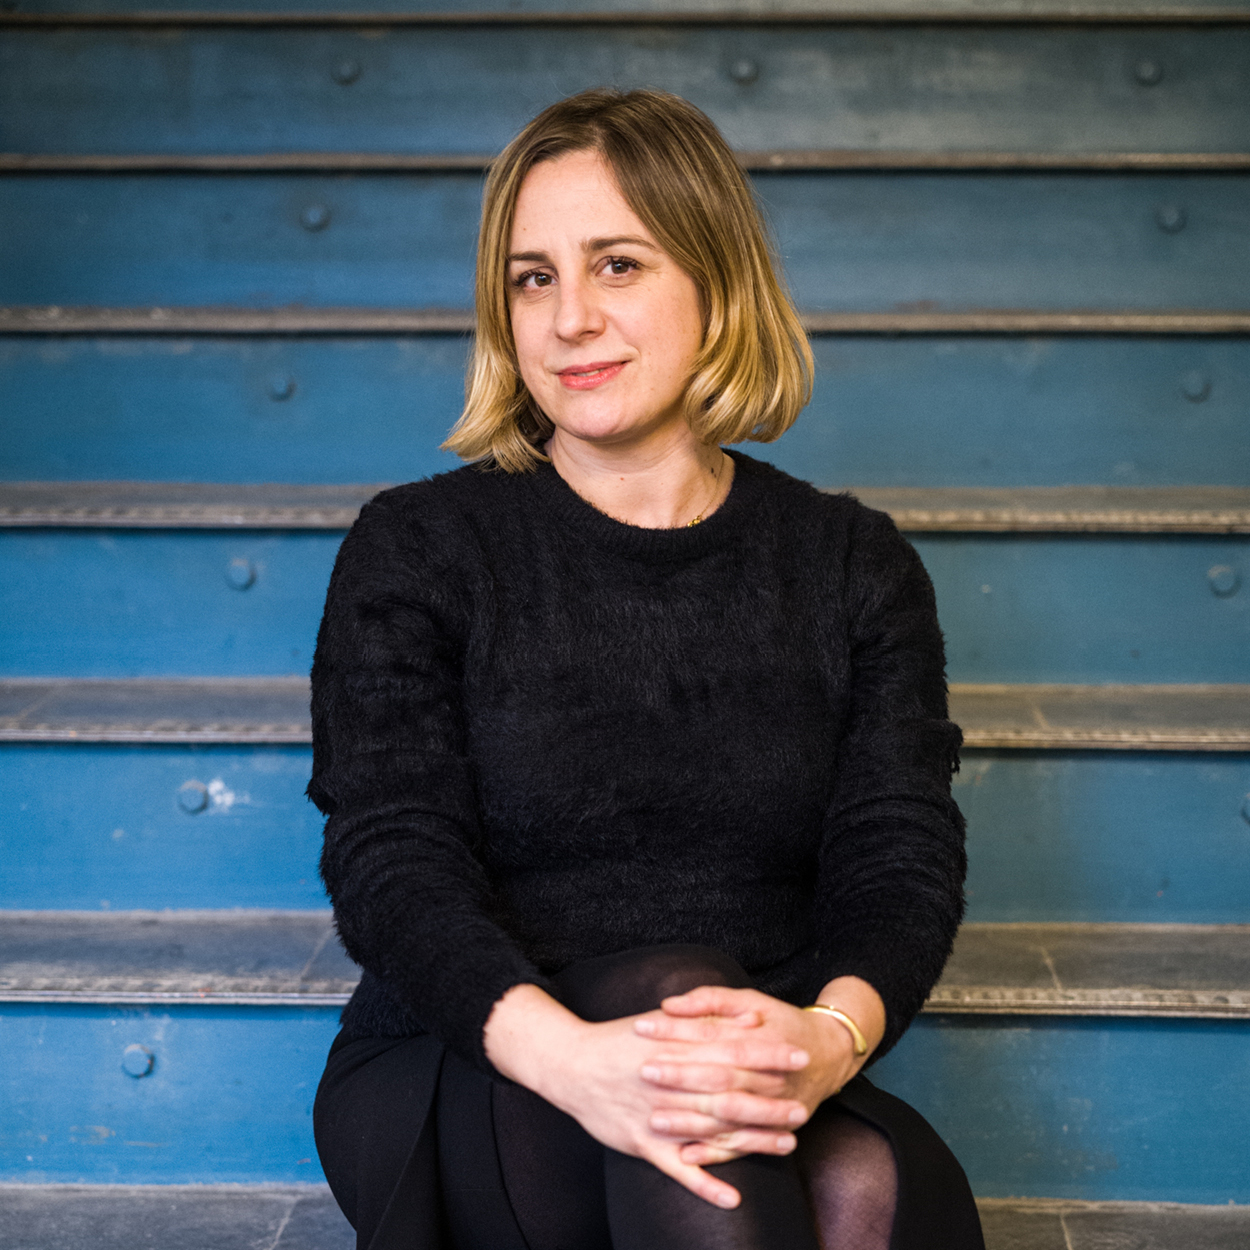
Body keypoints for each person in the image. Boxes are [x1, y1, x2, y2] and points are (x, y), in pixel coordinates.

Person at [309, 88, 984, 1250]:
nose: (570, 317)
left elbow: (898, 854)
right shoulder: (419, 546)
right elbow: (391, 857)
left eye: (616, 265)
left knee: (859, 1184)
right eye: (532, 277)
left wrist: (825, 1036)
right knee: (727, 1129)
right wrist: (572, 1059)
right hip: (480, 1046)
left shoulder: (848, 563)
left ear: (715, 284)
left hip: (746, 1061)